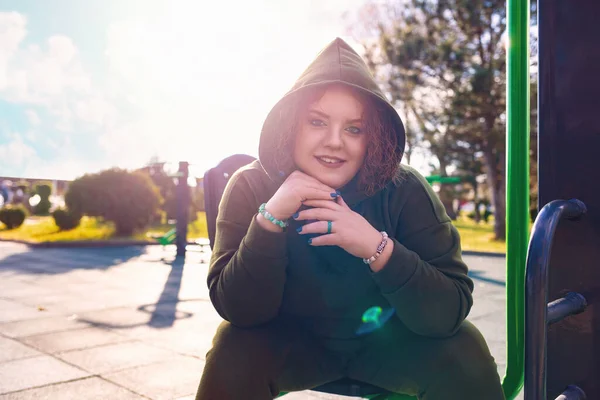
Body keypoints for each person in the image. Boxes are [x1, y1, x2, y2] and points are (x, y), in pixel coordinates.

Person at [195, 37, 505, 400]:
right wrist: (271, 219)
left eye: (354, 129)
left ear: (373, 139)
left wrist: (377, 248)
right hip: (289, 340)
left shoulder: (406, 189)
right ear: (292, 125)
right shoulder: (250, 185)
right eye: (317, 122)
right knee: (231, 348)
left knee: (465, 349)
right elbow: (238, 310)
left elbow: (449, 311)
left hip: (391, 342)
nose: (334, 142)